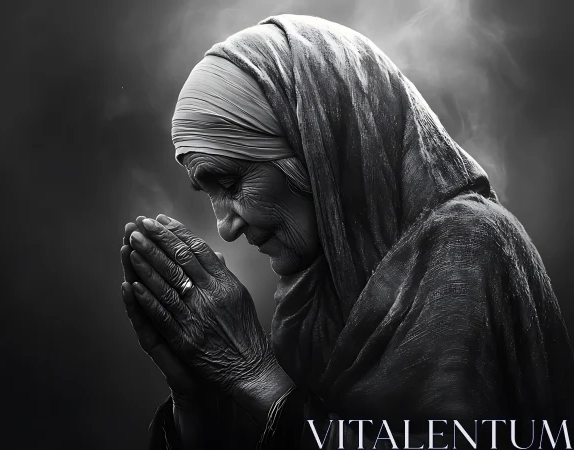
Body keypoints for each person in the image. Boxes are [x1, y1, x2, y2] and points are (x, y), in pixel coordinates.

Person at [118, 15, 574, 449]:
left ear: (312, 147)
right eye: (207, 192)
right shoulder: (310, 303)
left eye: (233, 181)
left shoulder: (468, 246)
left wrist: (253, 373)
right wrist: (200, 400)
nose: (226, 226)